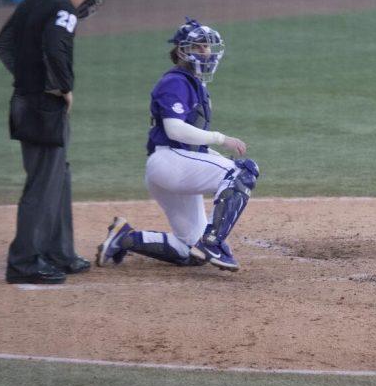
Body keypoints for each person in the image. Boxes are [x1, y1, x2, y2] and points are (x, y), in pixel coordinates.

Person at [96, 19, 260, 273]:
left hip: (174, 164)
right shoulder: (175, 82)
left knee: (190, 251)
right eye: (199, 47)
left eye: (208, 48)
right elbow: (174, 129)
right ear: (183, 51)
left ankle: (124, 238)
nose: (206, 53)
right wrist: (220, 138)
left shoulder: (194, 84)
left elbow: (188, 140)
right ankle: (213, 242)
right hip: (169, 162)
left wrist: (211, 151)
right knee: (242, 172)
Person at [0, 0, 106, 285]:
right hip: (44, 105)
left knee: (58, 177)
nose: (84, 4)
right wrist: (62, 87)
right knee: (43, 183)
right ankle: (24, 262)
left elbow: (3, 44)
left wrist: (28, 78)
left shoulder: (34, 0)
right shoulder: (62, 9)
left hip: (25, 101)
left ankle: (59, 252)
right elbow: (56, 46)